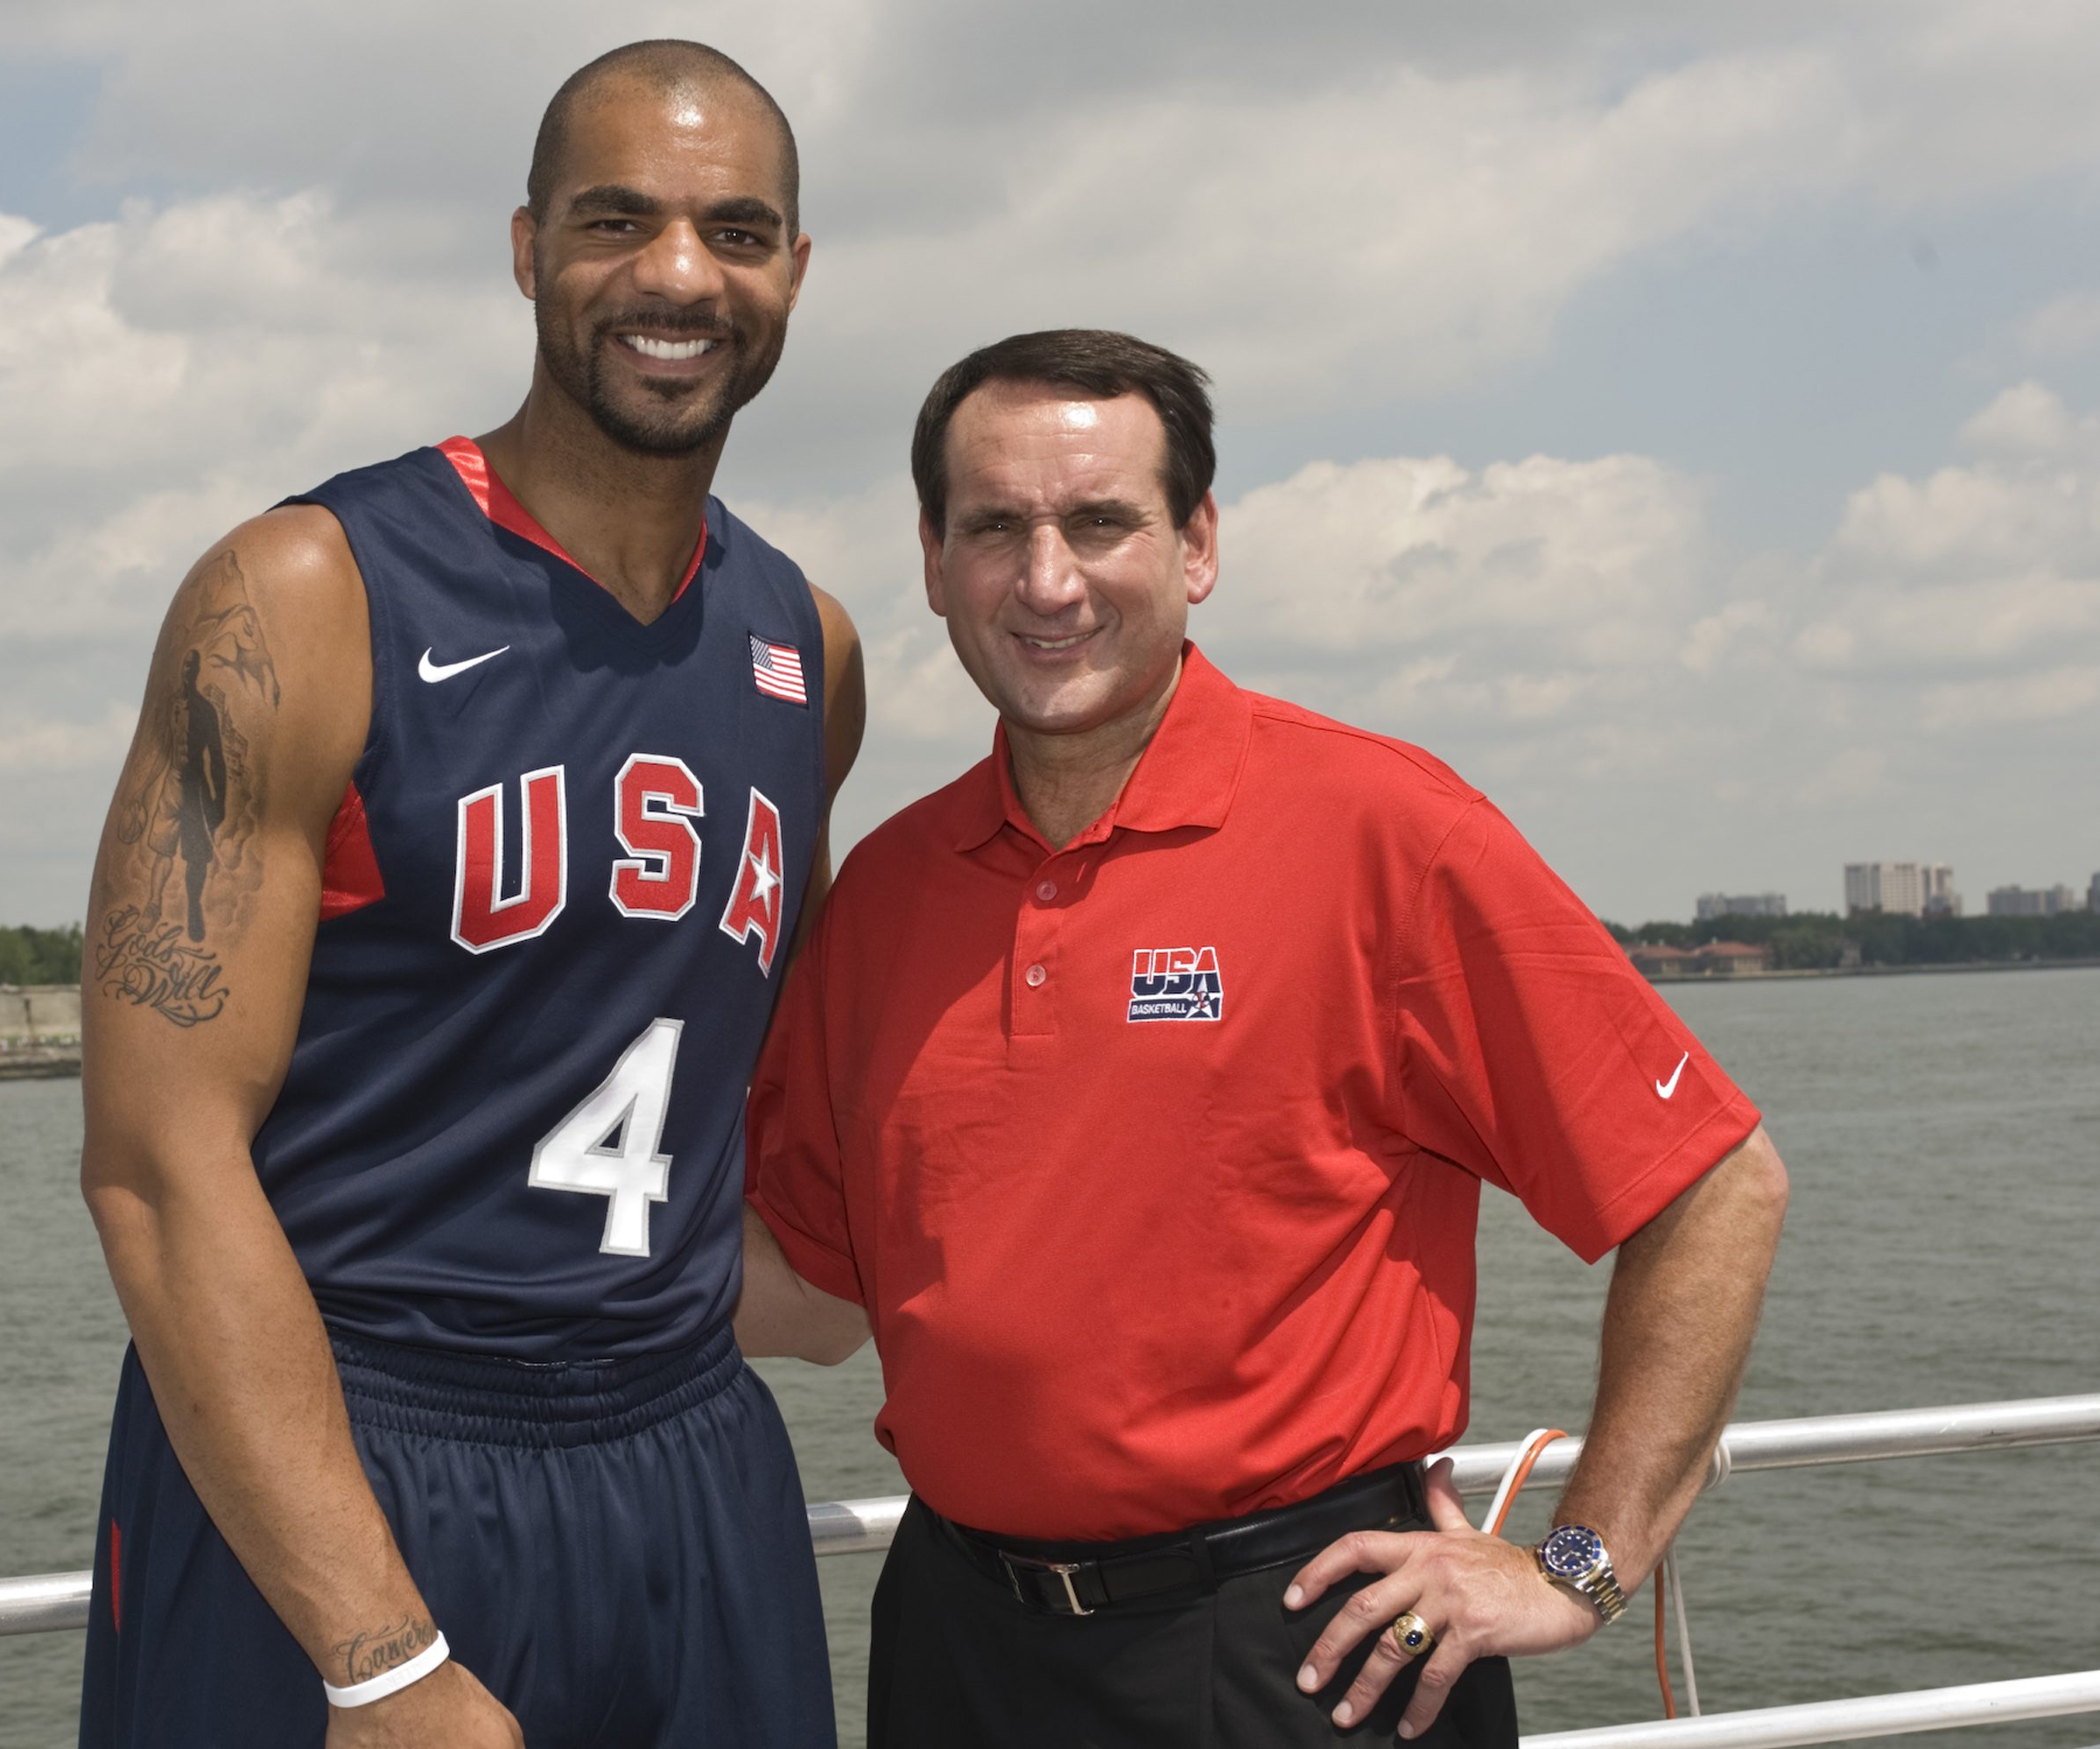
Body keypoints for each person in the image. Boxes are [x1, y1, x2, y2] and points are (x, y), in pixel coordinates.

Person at [738, 328, 1788, 1745]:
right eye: (995, 528)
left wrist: (1575, 1562)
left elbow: (1712, 1182)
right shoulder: (887, 892)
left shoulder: (1384, 833)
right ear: (932, 561)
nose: (1046, 581)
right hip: (959, 1643)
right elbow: (811, 1290)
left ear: (1196, 544)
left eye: (1100, 521)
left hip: (1303, 1648)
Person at [76, 40, 864, 1749]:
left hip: (681, 1452)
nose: (675, 274)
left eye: (734, 231)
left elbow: (724, 1090)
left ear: (791, 273)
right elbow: (154, 1164)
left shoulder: (807, 645)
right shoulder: (303, 594)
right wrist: (372, 1650)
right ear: (526, 250)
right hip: (350, 1458)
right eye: (614, 222)